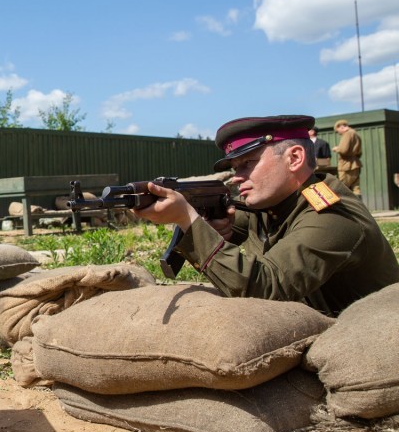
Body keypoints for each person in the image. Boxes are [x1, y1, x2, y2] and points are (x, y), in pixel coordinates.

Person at [133, 114, 399, 316]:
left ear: (294, 158)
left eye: (248, 163)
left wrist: (187, 219)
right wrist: (208, 225)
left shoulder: (332, 216)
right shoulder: (275, 204)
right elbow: (233, 225)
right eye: (234, 167)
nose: (237, 177)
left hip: (365, 336)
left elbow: (265, 289)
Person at [332, 119, 362, 195]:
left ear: (341, 127)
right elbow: (359, 152)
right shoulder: (355, 133)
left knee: (342, 187)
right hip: (355, 163)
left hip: (347, 165)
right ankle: (358, 206)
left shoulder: (348, 134)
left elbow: (343, 150)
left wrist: (337, 149)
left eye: (338, 130)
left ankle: (343, 206)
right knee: (356, 188)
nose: (339, 133)